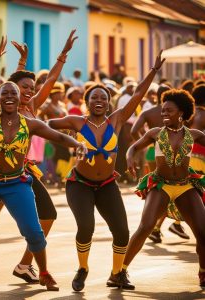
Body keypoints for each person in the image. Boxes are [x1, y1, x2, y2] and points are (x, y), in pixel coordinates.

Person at [0, 36, 86, 293]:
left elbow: (55, 129)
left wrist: (77, 144)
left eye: (30, 88)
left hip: (18, 177)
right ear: (0, 96)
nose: (26, 92)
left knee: (36, 229)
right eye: (19, 89)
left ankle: (39, 270)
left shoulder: (31, 114)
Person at [48, 52, 165, 291]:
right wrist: (72, 140)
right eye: (94, 97)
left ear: (109, 102)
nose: (98, 100)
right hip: (79, 184)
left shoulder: (117, 120)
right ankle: (83, 268)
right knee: (86, 227)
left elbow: (137, 94)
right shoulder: (76, 121)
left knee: (122, 231)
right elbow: (49, 126)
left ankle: (117, 273)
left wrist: (153, 71)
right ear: (87, 102)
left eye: (103, 97)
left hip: (106, 185)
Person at [0, 30, 77, 283]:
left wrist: (64, 54)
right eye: (24, 87)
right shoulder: (7, 107)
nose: (29, 91)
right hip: (2, 170)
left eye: (31, 88)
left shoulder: (33, 106)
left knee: (47, 215)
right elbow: (11, 86)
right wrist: (22, 64)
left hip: (24, 170)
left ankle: (25, 264)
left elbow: (50, 81)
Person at [124, 89, 205, 289]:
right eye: (163, 111)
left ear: (182, 113)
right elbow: (133, 147)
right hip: (161, 185)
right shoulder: (155, 133)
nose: (164, 114)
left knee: (203, 232)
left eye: (169, 111)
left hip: (186, 185)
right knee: (145, 226)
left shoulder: (194, 134)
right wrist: (129, 158)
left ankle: (203, 273)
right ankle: (119, 271)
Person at [131, 84, 190, 243]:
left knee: (161, 188)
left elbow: (133, 131)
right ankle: (159, 227)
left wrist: (147, 142)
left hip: (153, 152)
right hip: (169, 152)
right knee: (168, 187)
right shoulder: (176, 113)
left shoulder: (148, 112)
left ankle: (161, 225)